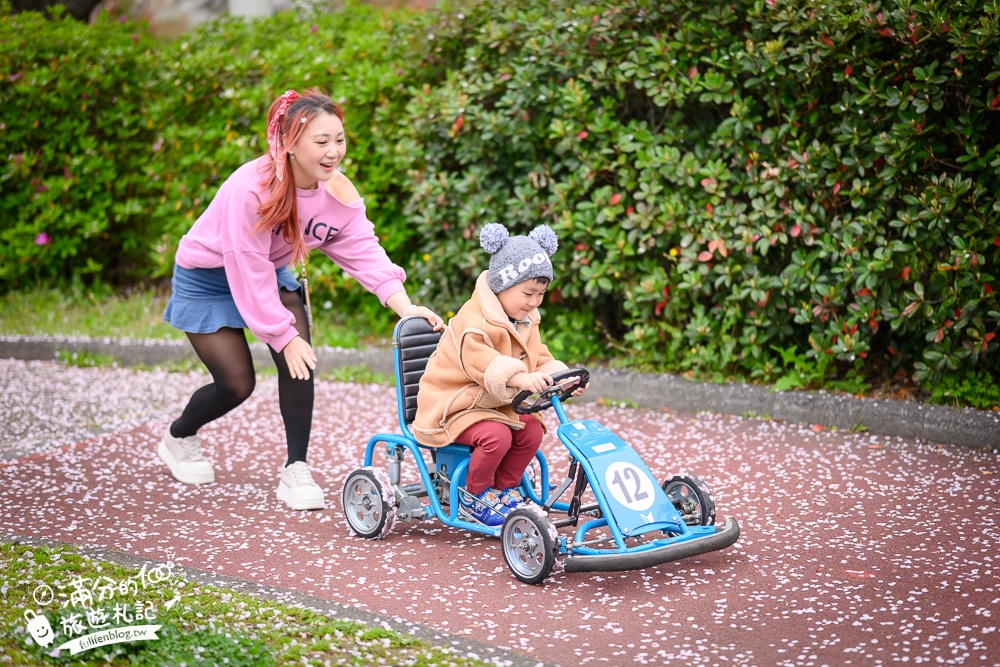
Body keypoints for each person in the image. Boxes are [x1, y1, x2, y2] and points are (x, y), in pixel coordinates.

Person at [159, 88, 443, 511]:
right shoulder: (251, 189)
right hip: (209, 278)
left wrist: (405, 305)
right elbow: (245, 265)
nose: (334, 152)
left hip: (268, 271)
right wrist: (281, 334)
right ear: (290, 144)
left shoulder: (337, 193)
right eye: (321, 141)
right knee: (237, 384)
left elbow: (364, 251)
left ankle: (296, 467)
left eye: (339, 139)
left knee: (300, 359)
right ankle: (179, 436)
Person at [412, 223, 588, 526]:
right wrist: (520, 378)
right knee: (496, 435)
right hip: (453, 405)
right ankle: (475, 495)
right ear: (501, 285)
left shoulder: (525, 319)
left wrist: (562, 377)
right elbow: (482, 362)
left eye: (541, 294)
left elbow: (537, 355)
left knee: (531, 428)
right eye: (528, 293)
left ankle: (503, 490)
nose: (534, 302)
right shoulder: (474, 322)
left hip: (492, 405)